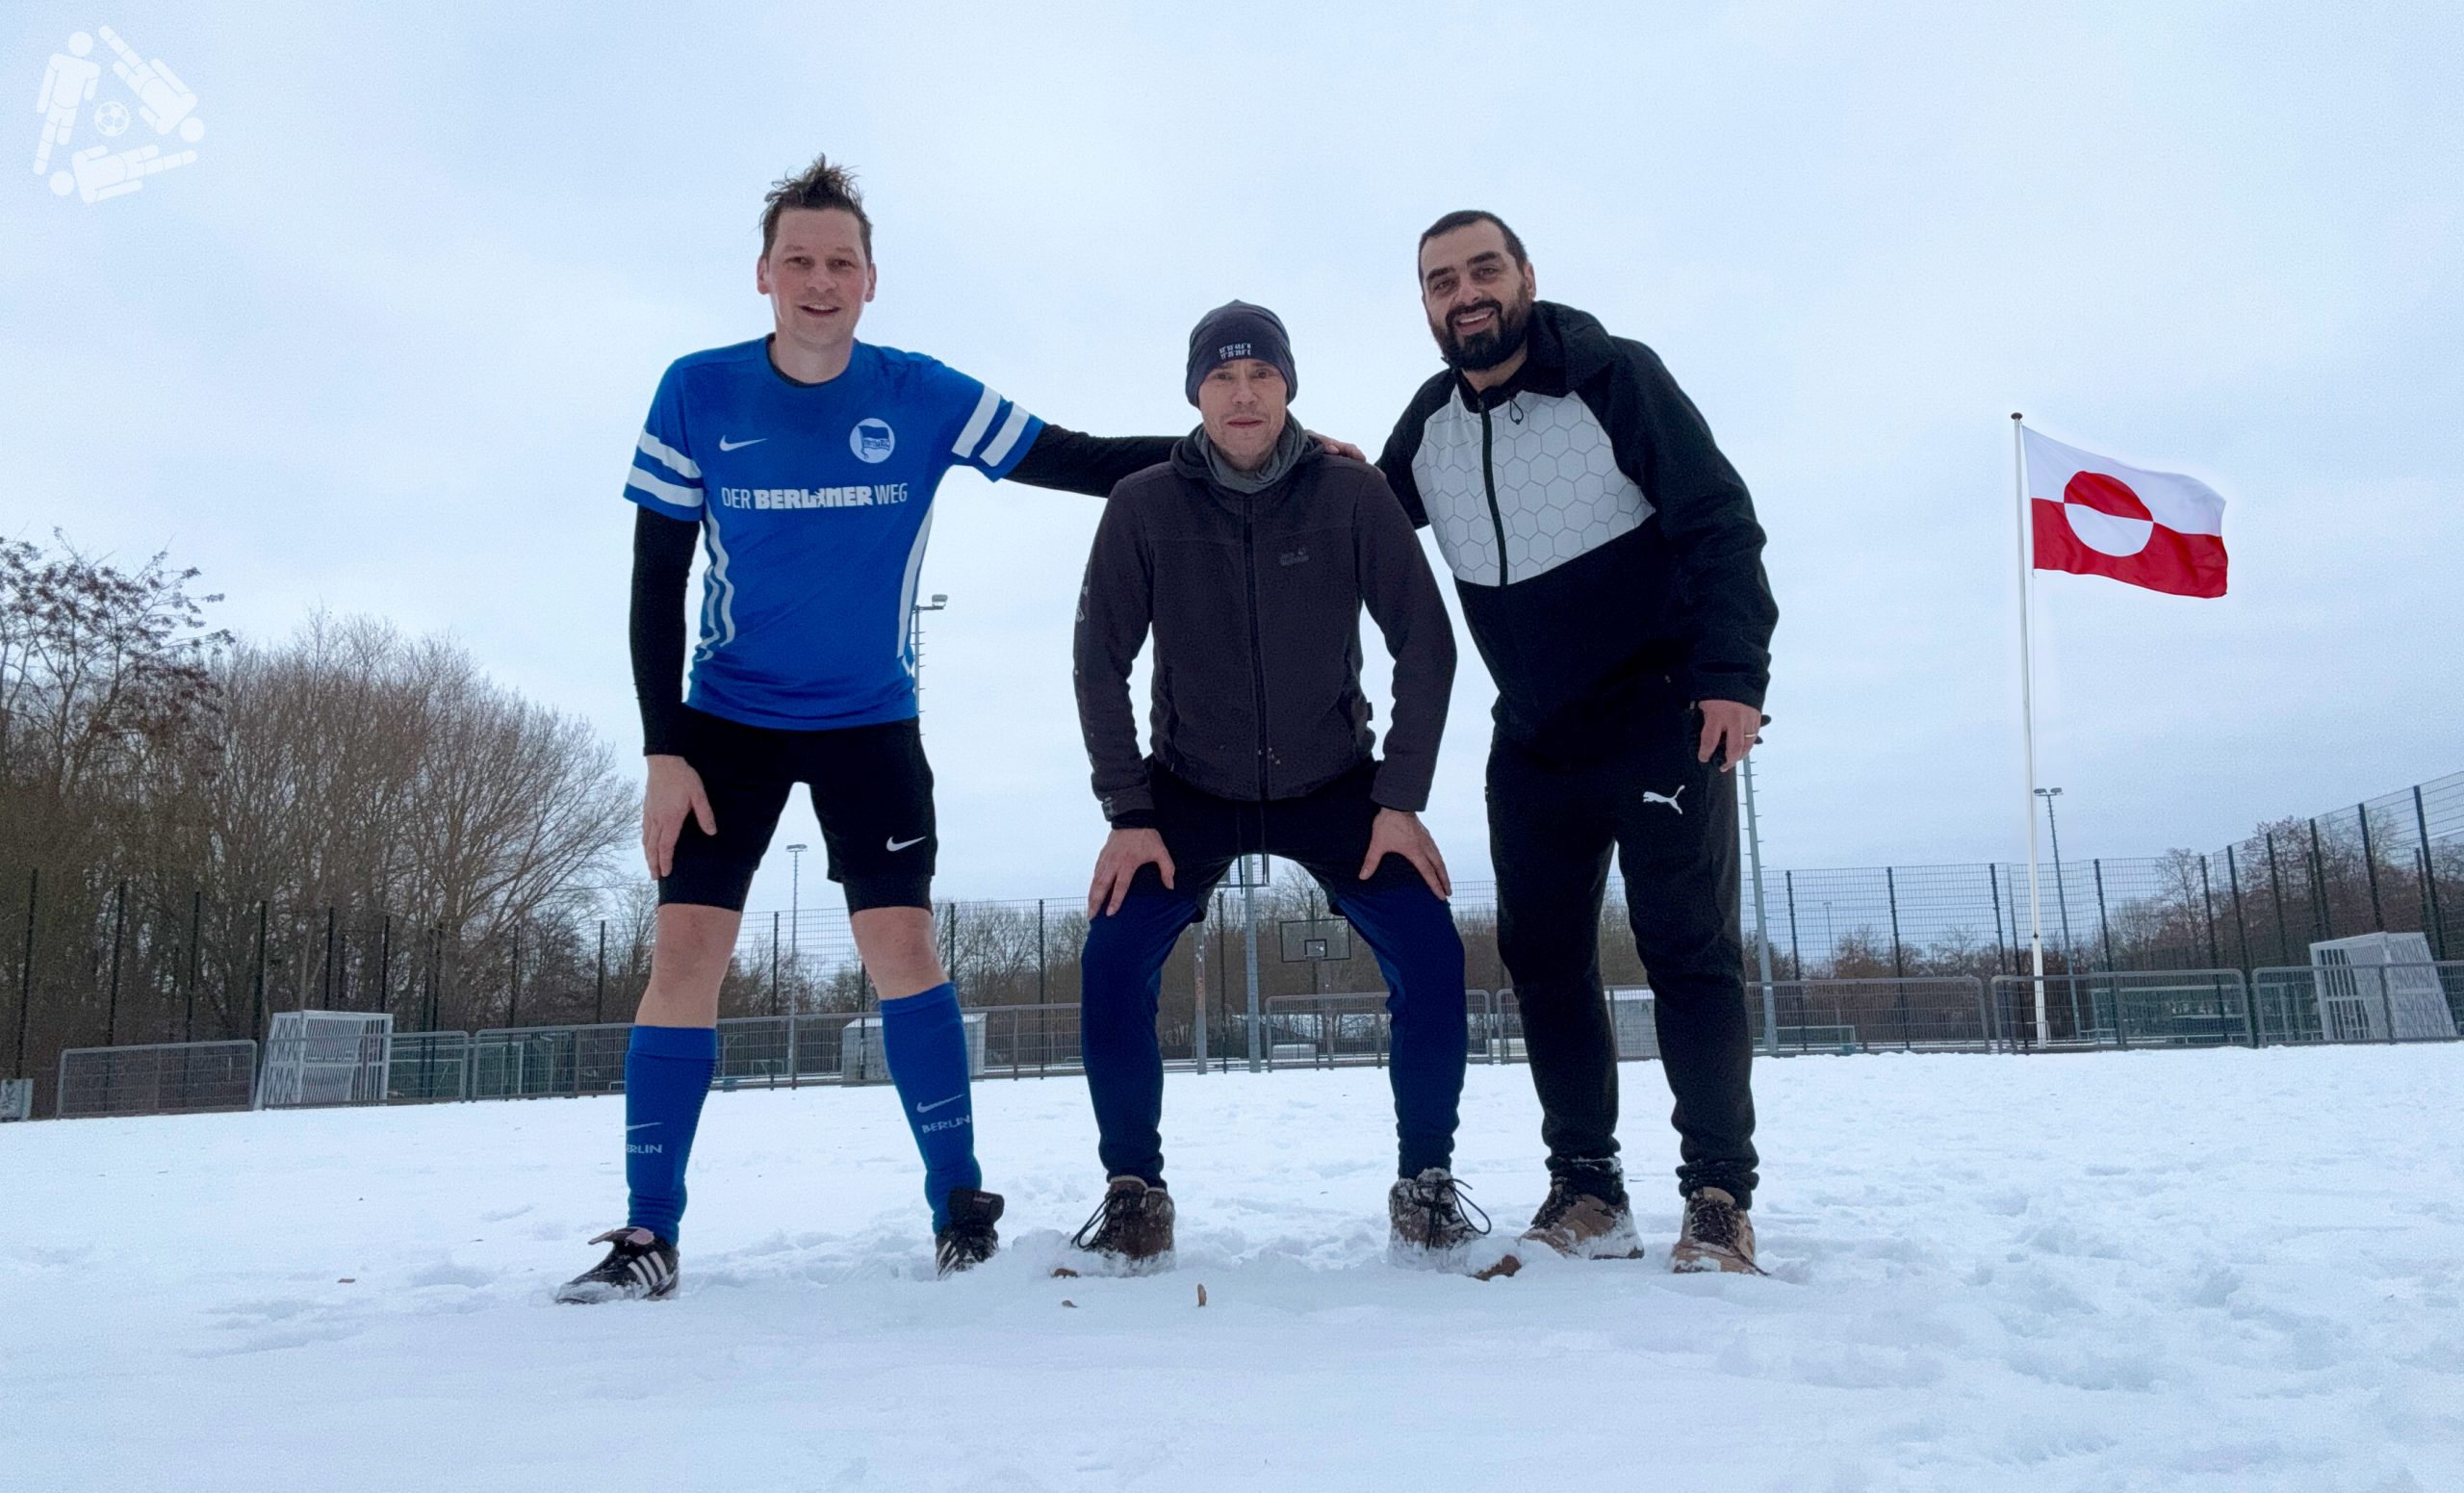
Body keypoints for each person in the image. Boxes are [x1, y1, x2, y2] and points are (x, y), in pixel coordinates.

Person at [557, 154, 1187, 1302]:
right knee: (684, 954)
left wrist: (1251, 446)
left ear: (869, 280)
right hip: (725, 722)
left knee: (902, 948)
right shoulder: (695, 391)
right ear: (763, 274)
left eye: (839, 262)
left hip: (869, 723)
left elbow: (1080, 459)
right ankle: (650, 1232)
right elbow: (655, 582)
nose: (819, 280)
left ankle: (959, 1207)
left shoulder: (922, 394)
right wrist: (662, 752)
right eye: (798, 260)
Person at [1376, 212, 1779, 1274]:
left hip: (1660, 717)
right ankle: (1589, 1188)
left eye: (1484, 270)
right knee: (1543, 960)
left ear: (1524, 276)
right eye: (1440, 281)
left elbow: (1719, 521)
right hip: (1534, 739)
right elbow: (1356, 520)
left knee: (1687, 951)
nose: (1465, 293)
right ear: (1425, 305)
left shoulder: (1615, 378)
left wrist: (1733, 677)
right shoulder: (1429, 425)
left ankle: (1718, 1196)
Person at [1067, 300, 1477, 1273]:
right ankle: (1133, 1190)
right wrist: (1128, 811)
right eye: (1222, 376)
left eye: (1261, 375)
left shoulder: (1351, 494)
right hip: (1186, 790)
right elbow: (1097, 661)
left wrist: (1400, 798)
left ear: (1289, 385)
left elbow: (1425, 643)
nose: (1242, 393)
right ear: (1195, 393)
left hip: (1336, 786)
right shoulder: (1143, 505)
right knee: (1112, 961)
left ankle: (1425, 1181)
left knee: (1431, 950)